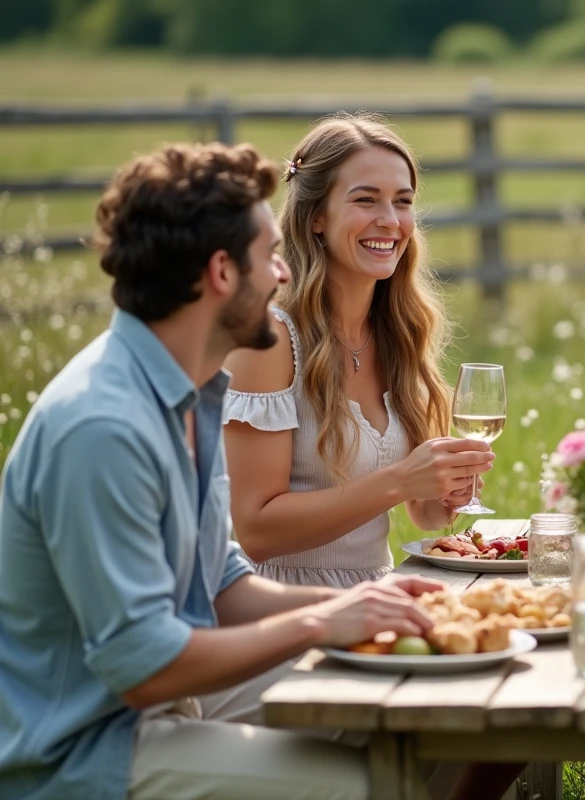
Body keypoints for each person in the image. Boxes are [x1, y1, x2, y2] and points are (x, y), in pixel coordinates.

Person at [0, 141, 444, 800]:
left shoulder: (187, 392)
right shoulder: (104, 425)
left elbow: (224, 579)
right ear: (220, 273)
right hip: (87, 748)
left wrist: (355, 605)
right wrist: (320, 625)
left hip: (174, 708)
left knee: (426, 719)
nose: (285, 275)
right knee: (382, 785)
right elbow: (143, 668)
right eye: (269, 256)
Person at [222, 113, 492, 588]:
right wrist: (402, 480)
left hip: (378, 595)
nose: (389, 221)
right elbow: (256, 530)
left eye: (402, 202)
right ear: (317, 217)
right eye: (366, 200)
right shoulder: (268, 340)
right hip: (281, 607)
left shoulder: (400, 330)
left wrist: (444, 492)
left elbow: (423, 515)